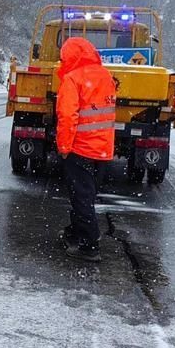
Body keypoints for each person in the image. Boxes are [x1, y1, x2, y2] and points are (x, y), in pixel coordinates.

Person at [56, 36, 116, 262]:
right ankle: (75, 232)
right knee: (86, 196)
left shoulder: (73, 79)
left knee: (80, 197)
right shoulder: (105, 76)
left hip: (80, 148)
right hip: (102, 149)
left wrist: (64, 146)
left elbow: (67, 116)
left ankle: (89, 245)